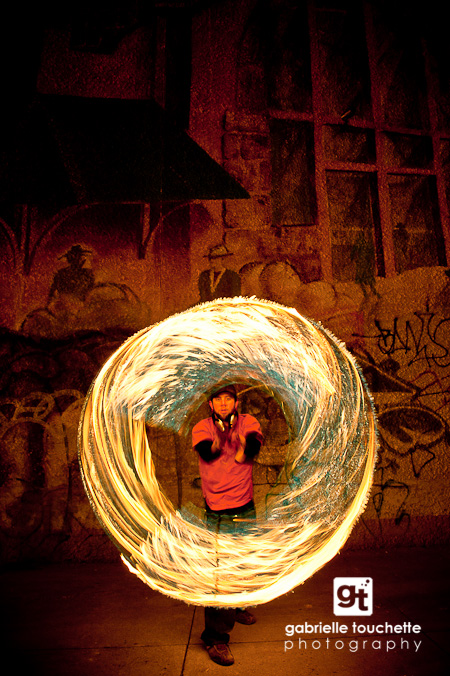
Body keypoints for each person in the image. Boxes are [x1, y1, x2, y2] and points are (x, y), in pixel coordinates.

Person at [192, 384, 263, 666]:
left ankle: (236, 607)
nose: (223, 404)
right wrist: (218, 443)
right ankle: (215, 638)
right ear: (211, 404)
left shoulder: (248, 423)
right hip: (217, 510)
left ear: (236, 402)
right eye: (218, 399)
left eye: (228, 399)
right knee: (222, 575)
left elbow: (253, 447)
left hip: (244, 504)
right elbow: (207, 453)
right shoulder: (202, 428)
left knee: (244, 563)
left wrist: (244, 446)